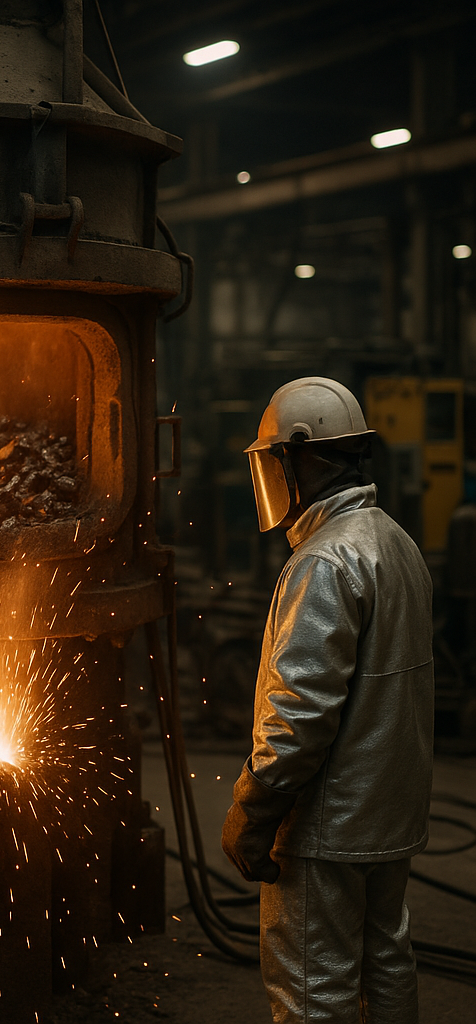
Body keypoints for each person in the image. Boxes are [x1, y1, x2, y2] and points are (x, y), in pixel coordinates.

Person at [221, 377, 434, 1024]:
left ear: (301, 455)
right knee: (386, 962)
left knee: (314, 989)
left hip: (327, 829)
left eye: (276, 459)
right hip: (389, 820)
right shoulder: (395, 542)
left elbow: (298, 718)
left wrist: (253, 810)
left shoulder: (325, 561)